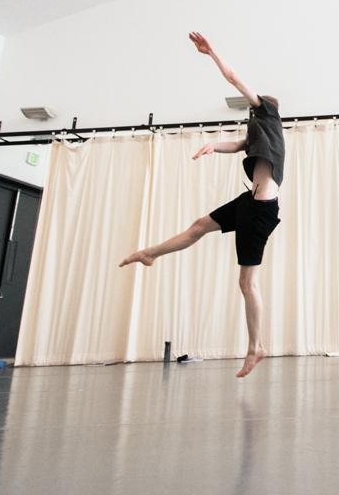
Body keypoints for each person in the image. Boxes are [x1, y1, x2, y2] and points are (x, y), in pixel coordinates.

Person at [119, 32, 284, 378]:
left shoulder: (267, 114)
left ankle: (257, 347)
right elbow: (239, 144)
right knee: (198, 227)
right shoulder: (259, 134)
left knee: (246, 283)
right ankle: (149, 252)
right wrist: (212, 145)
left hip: (260, 210)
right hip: (248, 201)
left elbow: (234, 78)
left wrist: (212, 53)